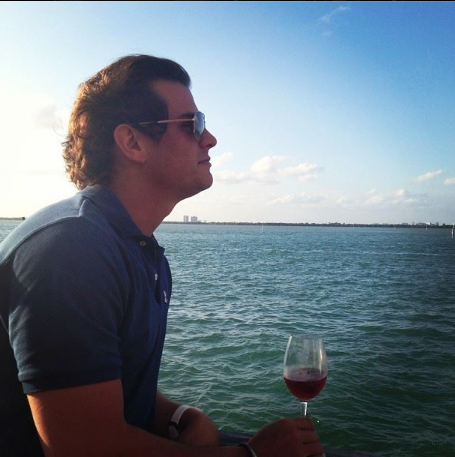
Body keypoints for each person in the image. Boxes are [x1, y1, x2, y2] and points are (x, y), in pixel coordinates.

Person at [0, 54, 325, 457]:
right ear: (132, 142)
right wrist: (252, 455)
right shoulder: (70, 249)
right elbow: (82, 447)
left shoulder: (137, 250)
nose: (210, 138)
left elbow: (109, 383)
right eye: (193, 124)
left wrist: (178, 416)